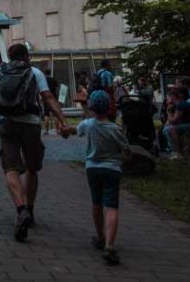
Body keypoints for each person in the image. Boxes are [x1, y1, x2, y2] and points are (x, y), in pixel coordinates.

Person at [0, 43, 70, 241]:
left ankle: (20, 209)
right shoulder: (34, 72)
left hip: (5, 124)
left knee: (11, 169)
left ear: (9, 56)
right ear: (27, 57)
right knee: (32, 168)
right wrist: (62, 121)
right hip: (30, 125)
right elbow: (47, 97)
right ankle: (30, 211)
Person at [77, 90, 131, 266]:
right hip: (112, 170)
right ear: (109, 108)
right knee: (112, 206)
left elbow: (75, 130)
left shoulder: (88, 124)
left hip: (92, 168)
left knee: (97, 203)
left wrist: (65, 129)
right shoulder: (116, 129)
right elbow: (126, 150)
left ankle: (100, 237)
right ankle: (110, 245)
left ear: (91, 108)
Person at [162, 87, 190, 159]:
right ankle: (175, 151)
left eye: (167, 98)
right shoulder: (181, 104)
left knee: (169, 130)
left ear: (172, 98)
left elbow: (174, 120)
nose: (166, 101)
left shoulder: (180, 105)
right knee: (167, 128)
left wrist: (168, 112)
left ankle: (176, 152)